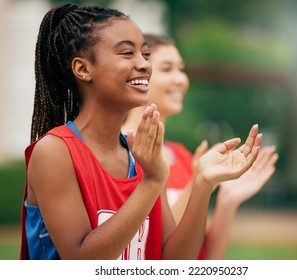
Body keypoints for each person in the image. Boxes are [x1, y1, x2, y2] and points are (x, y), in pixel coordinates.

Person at [19, 4, 262, 260]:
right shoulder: (55, 151)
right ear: (83, 69)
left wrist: (202, 182)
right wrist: (152, 181)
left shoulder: (141, 154)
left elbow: (173, 262)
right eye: (127, 53)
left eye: (145, 54)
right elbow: (83, 262)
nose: (144, 65)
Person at [122, 34, 278, 259]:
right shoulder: (116, 153)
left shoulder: (184, 157)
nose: (181, 80)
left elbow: (203, 261)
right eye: (167, 69)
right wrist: (198, 182)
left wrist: (227, 200)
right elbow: (157, 250)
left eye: (181, 69)